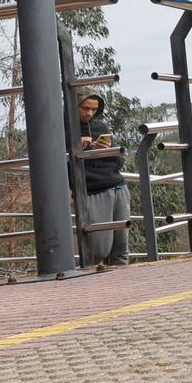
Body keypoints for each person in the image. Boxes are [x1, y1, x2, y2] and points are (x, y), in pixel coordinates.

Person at [75, 93, 130, 267]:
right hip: (92, 192)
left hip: (118, 187)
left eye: (94, 109)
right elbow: (54, 159)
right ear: (73, 105)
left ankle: (126, 290)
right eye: (85, 108)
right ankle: (90, 289)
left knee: (121, 250)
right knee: (97, 250)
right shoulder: (61, 129)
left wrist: (107, 150)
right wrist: (77, 146)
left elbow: (119, 161)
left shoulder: (100, 127)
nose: (89, 113)